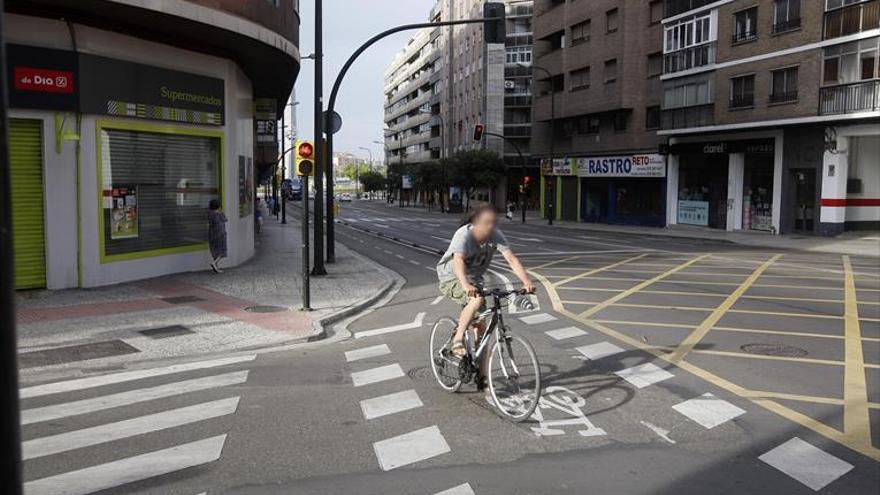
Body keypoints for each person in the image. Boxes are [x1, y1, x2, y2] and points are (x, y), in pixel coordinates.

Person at [436, 205, 536, 363]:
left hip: (474, 281)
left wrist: (526, 282)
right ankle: (458, 339)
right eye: (486, 222)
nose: (490, 226)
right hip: (452, 276)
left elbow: (511, 259)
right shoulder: (464, 234)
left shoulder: (495, 235)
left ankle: (482, 380)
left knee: (481, 329)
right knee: (476, 300)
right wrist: (465, 285)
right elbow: (458, 260)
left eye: (493, 223)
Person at [208, 199, 227, 273]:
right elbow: (225, 219)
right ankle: (214, 263)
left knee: (215, 250)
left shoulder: (210, 214)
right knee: (222, 251)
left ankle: (216, 266)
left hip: (212, 234)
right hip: (220, 234)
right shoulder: (219, 214)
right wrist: (221, 212)